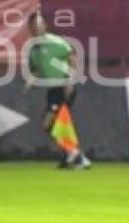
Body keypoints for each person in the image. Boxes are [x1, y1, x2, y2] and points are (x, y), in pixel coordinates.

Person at [25, 10, 91, 170]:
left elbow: (72, 58)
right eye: (35, 25)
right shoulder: (33, 50)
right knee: (53, 125)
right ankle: (70, 154)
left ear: (45, 26)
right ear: (30, 28)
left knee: (54, 123)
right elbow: (36, 69)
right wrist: (31, 81)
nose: (38, 27)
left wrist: (70, 81)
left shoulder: (56, 42)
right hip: (53, 89)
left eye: (40, 24)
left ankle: (78, 156)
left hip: (64, 86)